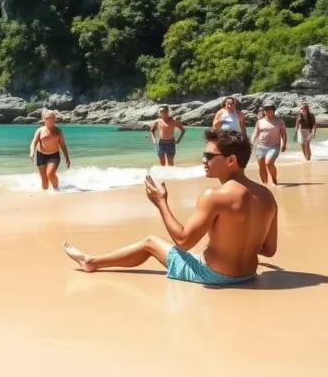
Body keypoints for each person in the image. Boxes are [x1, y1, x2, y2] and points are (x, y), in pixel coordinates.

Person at [62, 129, 277, 286]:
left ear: (231, 160)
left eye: (210, 156)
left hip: (214, 276)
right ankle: (92, 261)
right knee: (202, 241)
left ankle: (91, 262)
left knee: (150, 242)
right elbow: (269, 250)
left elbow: (183, 242)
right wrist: (236, 242)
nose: (203, 159)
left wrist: (161, 202)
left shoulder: (215, 196)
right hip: (248, 274)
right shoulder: (267, 196)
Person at [29, 110, 71, 191]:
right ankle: (45, 195)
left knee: (50, 174)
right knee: (44, 178)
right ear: (44, 119)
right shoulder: (40, 130)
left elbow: (63, 145)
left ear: (54, 119)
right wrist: (32, 152)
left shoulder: (58, 131)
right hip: (41, 155)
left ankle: (56, 190)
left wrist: (67, 158)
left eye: (51, 118)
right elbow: (33, 143)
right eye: (47, 118)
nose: (49, 120)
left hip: (54, 155)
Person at [252, 104, 288, 185]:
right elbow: (255, 133)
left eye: (270, 109)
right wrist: (252, 142)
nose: (268, 111)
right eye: (266, 109)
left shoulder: (279, 121)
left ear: (273, 110)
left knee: (268, 163)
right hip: (260, 146)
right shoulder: (260, 121)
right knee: (261, 166)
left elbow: (283, 133)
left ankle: (274, 180)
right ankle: (265, 184)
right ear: (264, 111)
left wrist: (284, 144)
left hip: (274, 145)